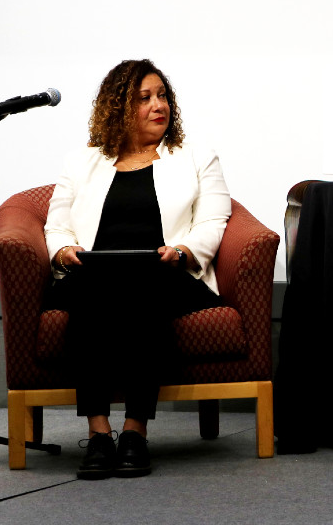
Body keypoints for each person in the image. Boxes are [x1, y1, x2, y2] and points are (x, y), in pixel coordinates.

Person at [44, 59, 232, 479]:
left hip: (166, 274)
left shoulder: (197, 158)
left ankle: (134, 431)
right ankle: (98, 433)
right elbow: (56, 226)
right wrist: (64, 251)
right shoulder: (81, 162)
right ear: (118, 106)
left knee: (144, 287)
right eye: (144, 98)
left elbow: (213, 221)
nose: (158, 105)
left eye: (162, 96)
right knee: (92, 291)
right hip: (95, 274)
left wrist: (182, 251)